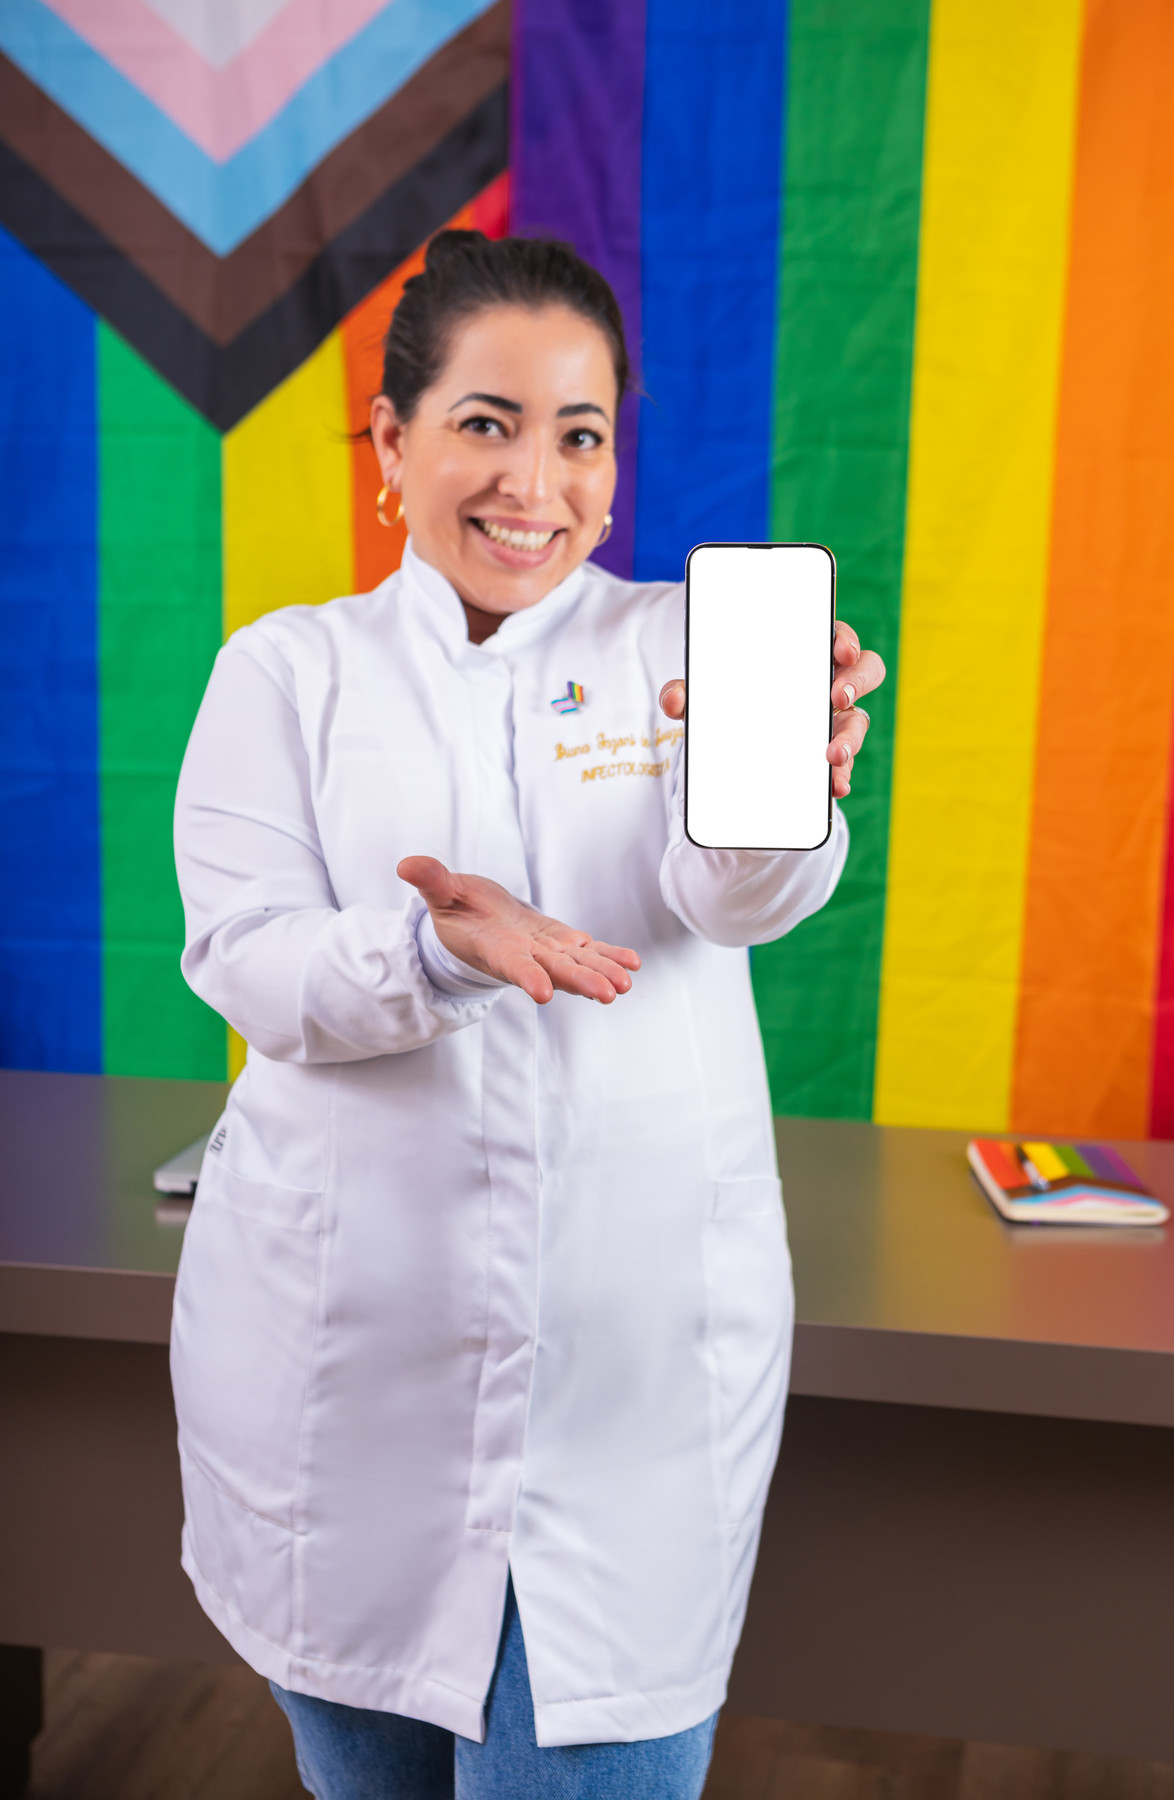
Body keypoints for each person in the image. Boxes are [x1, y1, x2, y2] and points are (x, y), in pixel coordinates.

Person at [171, 230, 885, 1800]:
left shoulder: (679, 653)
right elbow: (249, 959)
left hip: (626, 1402)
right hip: (343, 1391)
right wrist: (436, 957)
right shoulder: (286, 675)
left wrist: (791, 802)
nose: (535, 484)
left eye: (581, 435)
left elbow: (733, 898)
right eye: (486, 424)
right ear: (392, 440)